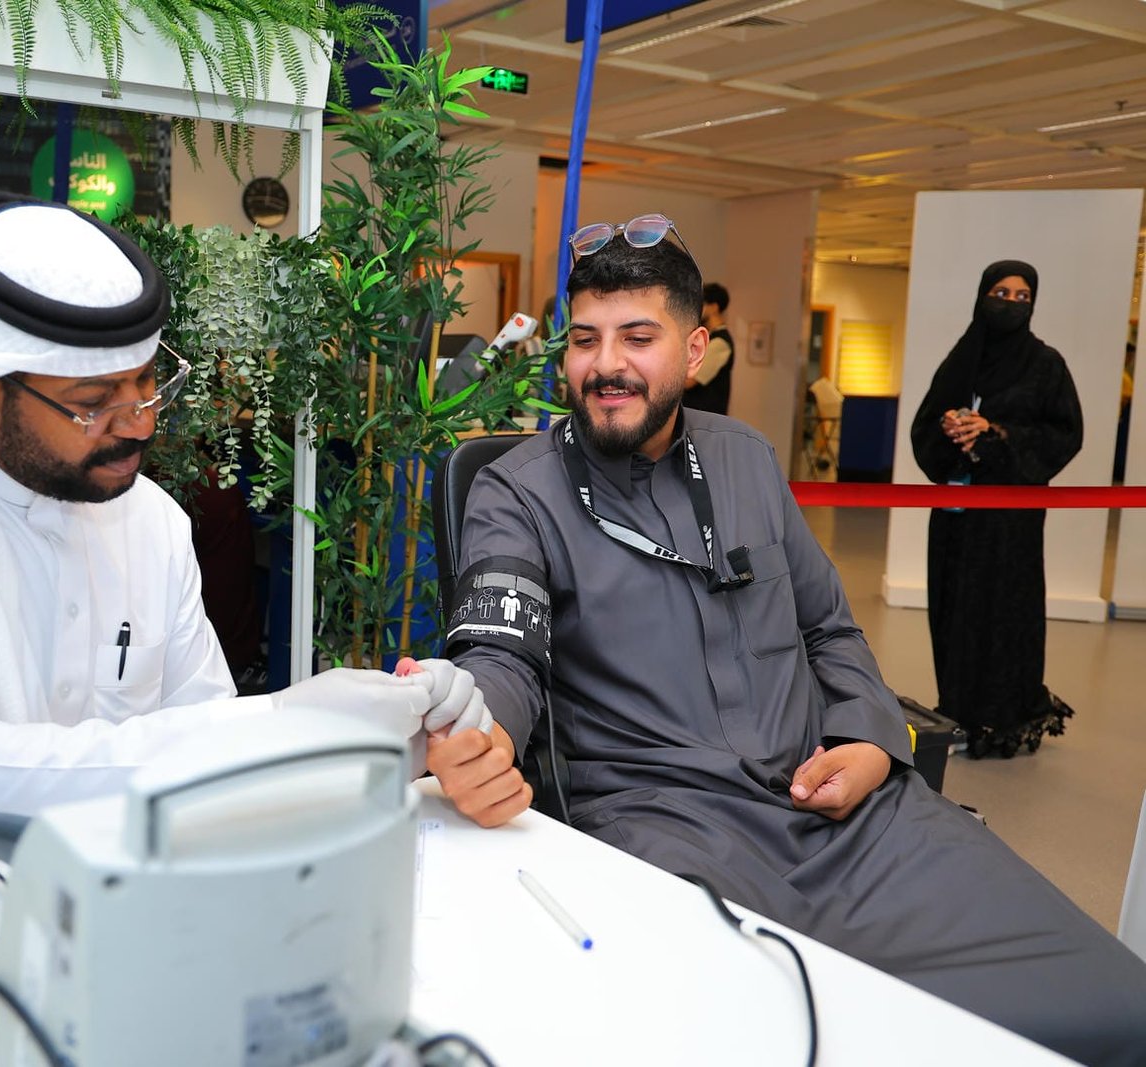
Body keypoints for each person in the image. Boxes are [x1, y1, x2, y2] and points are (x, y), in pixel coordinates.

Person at [427, 221, 1146, 1065]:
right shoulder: (516, 492)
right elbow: (501, 659)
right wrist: (481, 733)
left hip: (847, 815)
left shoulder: (747, 459)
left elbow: (828, 625)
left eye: (638, 337)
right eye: (586, 339)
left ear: (696, 350)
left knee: (1113, 1006)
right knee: (792, 1038)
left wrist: (872, 741)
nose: (606, 364)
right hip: (671, 832)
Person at [0, 193, 452, 889]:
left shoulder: (149, 520)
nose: (140, 423)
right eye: (93, 403)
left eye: (147, 383)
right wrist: (279, 727)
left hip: (109, 895)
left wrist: (402, 734)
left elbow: (203, 742)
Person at [910, 261, 1082, 759]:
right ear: (983, 295)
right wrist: (951, 430)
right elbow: (924, 426)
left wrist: (996, 434)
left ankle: (1004, 715)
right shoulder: (962, 359)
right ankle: (957, 709)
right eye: (1001, 292)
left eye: (1022, 296)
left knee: (1004, 613)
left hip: (1011, 524)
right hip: (956, 517)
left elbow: (1064, 435)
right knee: (953, 611)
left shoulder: (1045, 364)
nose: (1010, 303)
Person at [683, 280, 732, 413]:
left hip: (705, 418)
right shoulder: (708, 336)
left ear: (714, 307)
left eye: (701, 304)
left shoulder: (720, 342)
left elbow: (690, 380)